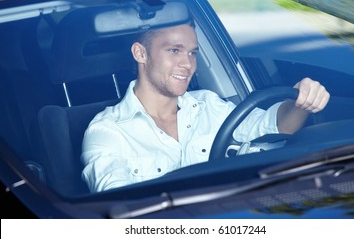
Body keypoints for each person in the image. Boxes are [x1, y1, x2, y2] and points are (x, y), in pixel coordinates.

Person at [81, 21, 330, 193]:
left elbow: (272, 126)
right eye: (174, 50)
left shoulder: (209, 104)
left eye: (192, 53)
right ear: (141, 53)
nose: (188, 64)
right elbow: (119, 206)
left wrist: (302, 101)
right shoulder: (107, 131)